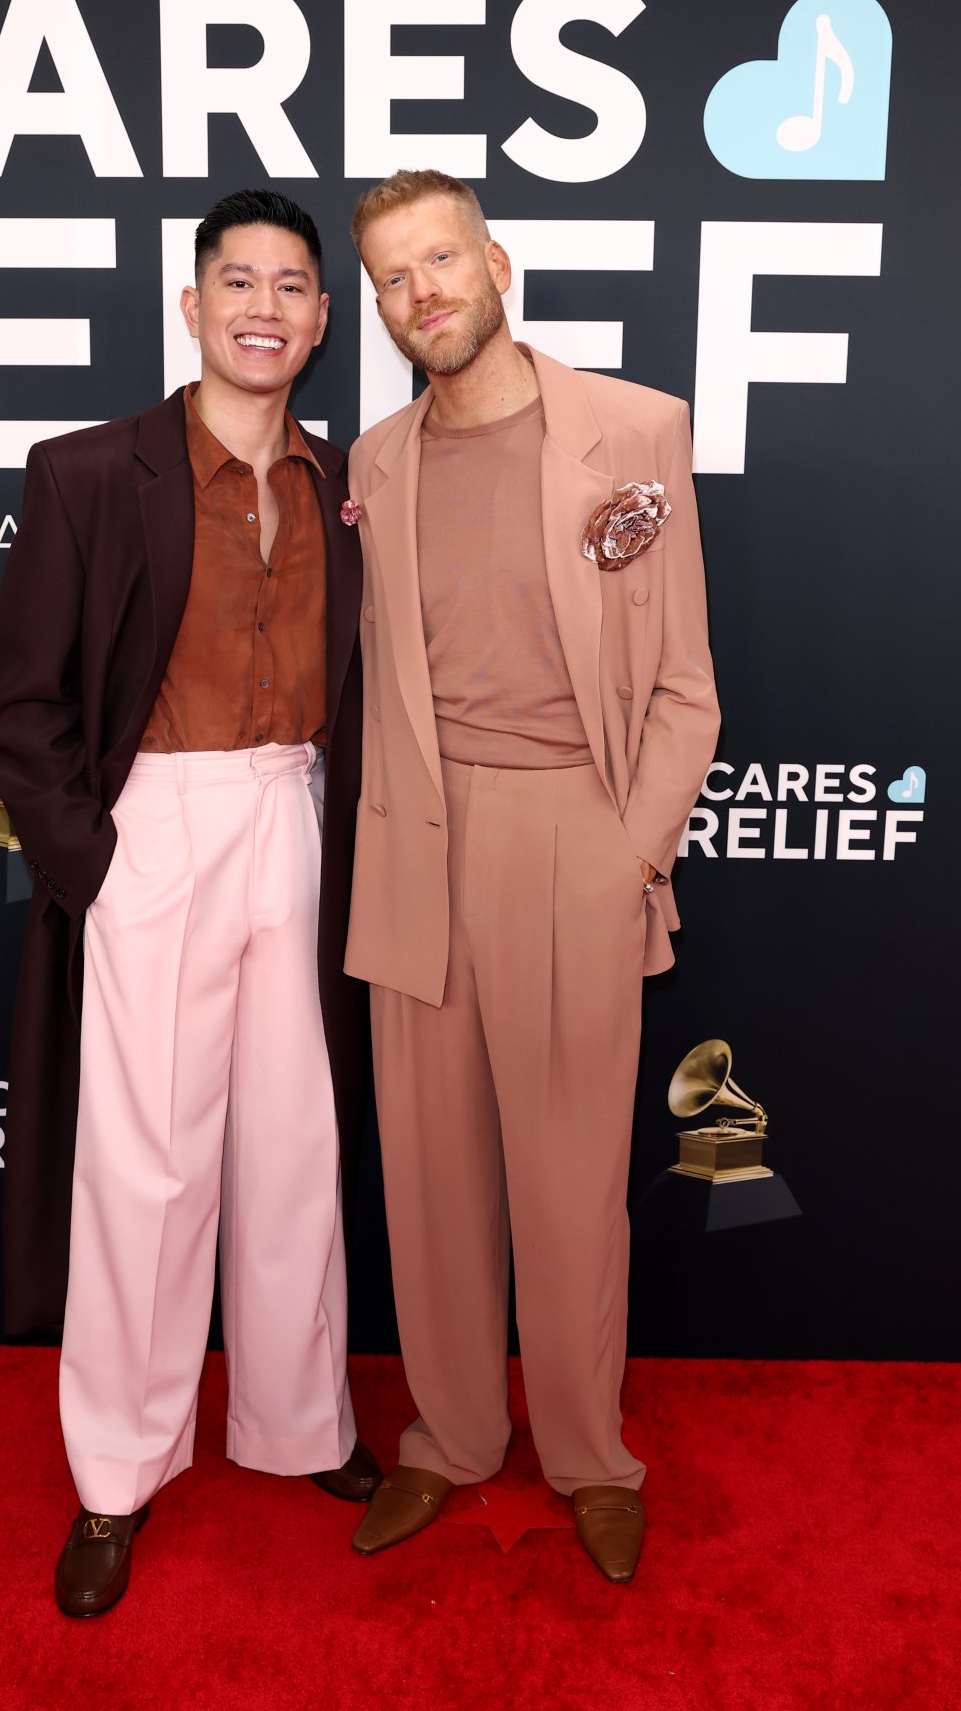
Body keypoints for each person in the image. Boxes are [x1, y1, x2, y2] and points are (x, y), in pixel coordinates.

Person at [0, 189, 378, 1619]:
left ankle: (296, 1424)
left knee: (295, 1140)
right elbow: (21, 711)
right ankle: (117, 1472)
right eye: (239, 282)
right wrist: (98, 859)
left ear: (324, 322)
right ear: (193, 305)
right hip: (154, 822)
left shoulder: (350, 482)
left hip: (295, 817)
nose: (265, 306)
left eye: (292, 286)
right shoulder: (90, 472)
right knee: (144, 1167)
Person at [343, 169, 719, 1580]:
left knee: (570, 1181)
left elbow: (686, 690)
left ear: (497, 263)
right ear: (374, 306)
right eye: (391, 276)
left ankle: (588, 1455)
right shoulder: (373, 465)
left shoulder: (633, 431)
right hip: (416, 843)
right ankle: (447, 1437)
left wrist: (628, 852)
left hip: (575, 835)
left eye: (439, 259)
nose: (421, 291)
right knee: (429, 1180)